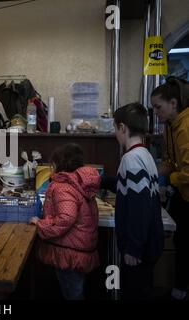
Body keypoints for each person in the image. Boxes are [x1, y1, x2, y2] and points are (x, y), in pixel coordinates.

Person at [30, 143, 100, 300]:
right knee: (75, 289)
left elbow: (65, 218)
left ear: (57, 164)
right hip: (80, 248)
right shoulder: (81, 183)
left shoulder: (63, 186)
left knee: (73, 293)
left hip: (68, 253)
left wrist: (41, 224)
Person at [112, 102, 164, 300]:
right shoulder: (145, 155)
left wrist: (133, 247)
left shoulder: (131, 159)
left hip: (139, 247)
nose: (115, 134)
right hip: (149, 241)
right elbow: (135, 189)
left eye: (115, 129)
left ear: (123, 128)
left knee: (133, 292)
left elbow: (139, 204)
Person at [151, 77, 189, 300]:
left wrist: (171, 179)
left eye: (159, 107)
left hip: (185, 191)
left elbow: (185, 172)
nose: (156, 112)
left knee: (184, 243)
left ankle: (180, 291)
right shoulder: (169, 126)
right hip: (182, 193)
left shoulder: (185, 126)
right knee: (176, 238)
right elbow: (168, 162)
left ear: (173, 103)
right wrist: (151, 173)